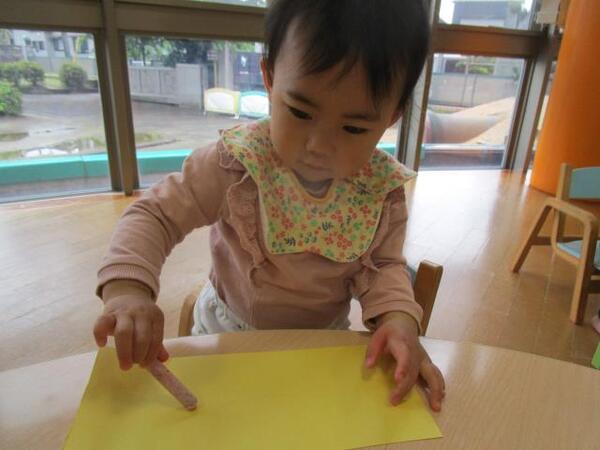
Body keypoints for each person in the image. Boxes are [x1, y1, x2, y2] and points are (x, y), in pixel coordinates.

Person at [93, 0, 445, 411]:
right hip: (228, 334)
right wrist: (128, 291)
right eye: (300, 111)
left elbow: (382, 268)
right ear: (270, 79)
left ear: (392, 116)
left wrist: (398, 318)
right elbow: (155, 215)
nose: (318, 146)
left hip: (321, 342)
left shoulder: (379, 191)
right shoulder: (237, 164)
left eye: (353, 127)